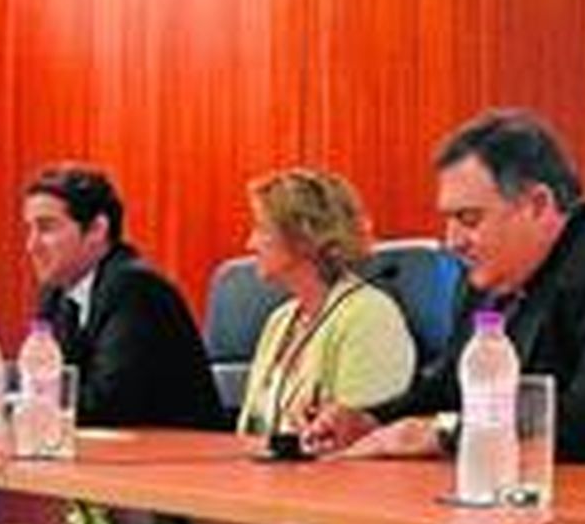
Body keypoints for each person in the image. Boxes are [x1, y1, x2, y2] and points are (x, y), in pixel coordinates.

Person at [305, 108, 585, 468]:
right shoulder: (488, 281)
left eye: (469, 219)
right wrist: (371, 420)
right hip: (537, 502)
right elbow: (445, 391)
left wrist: (441, 433)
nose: (452, 240)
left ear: (538, 205)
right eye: (449, 219)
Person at [24, 164, 222, 429]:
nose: (32, 245)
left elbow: (107, 405)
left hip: (180, 459)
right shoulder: (57, 295)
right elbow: (46, 387)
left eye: (46, 228)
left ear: (96, 229)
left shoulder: (135, 289)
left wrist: (19, 405)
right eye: (30, 229)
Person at [236, 169, 415, 440]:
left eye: (262, 229)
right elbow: (249, 434)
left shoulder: (371, 317)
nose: (249, 243)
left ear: (304, 236)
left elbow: (362, 435)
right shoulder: (280, 320)